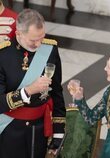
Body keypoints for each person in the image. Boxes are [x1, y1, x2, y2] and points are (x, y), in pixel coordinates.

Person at [0, 8, 66, 158]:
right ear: (18, 34)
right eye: (33, 40)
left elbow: (56, 92)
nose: (38, 44)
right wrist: (28, 91)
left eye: (41, 38)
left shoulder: (50, 49)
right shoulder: (2, 55)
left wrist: (58, 130)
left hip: (39, 130)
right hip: (9, 130)